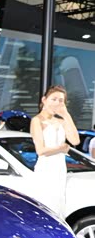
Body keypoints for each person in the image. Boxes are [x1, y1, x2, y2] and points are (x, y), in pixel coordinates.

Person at [29, 85, 80, 218]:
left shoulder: (61, 121)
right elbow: (40, 150)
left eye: (61, 100)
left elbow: (75, 141)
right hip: (45, 169)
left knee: (59, 206)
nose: (57, 103)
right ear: (44, 100)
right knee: (46, 205)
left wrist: (66, 115)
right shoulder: (37, 120)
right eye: (54, 99)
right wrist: (61, 148)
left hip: (60, 168)